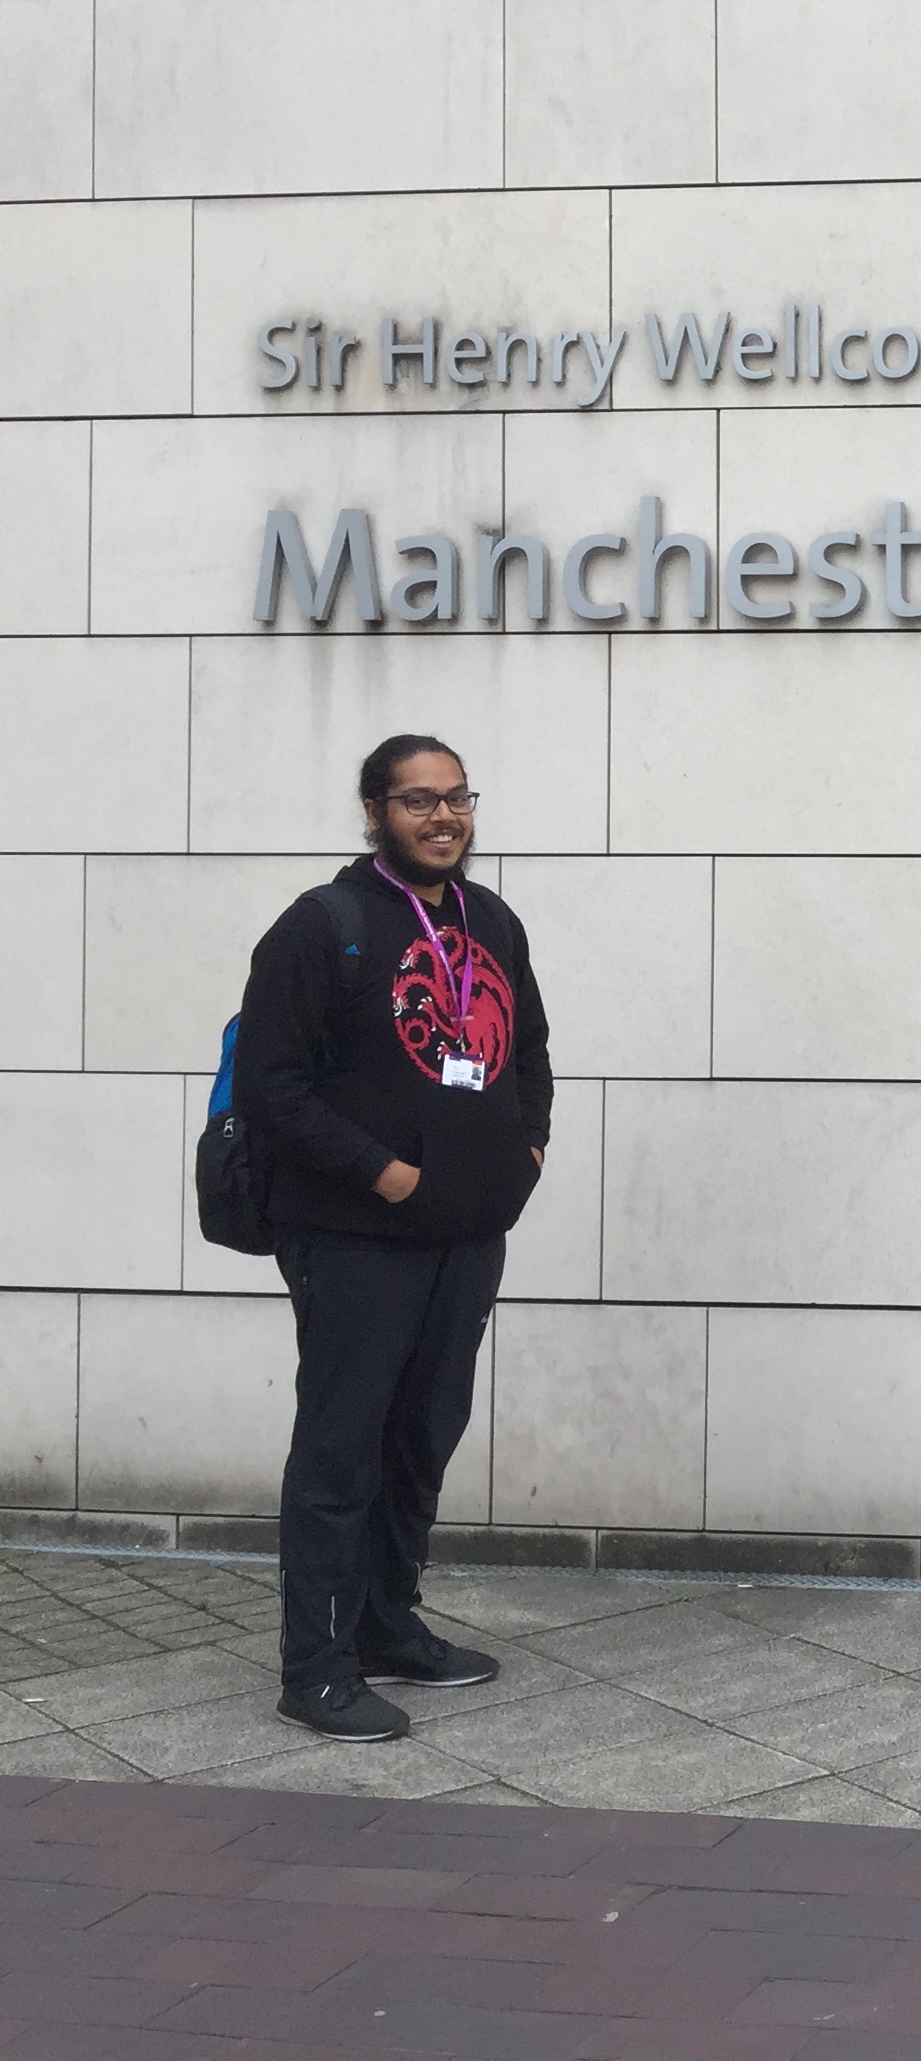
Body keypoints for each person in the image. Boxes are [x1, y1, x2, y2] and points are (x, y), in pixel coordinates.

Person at [235, 735, 552, 1742]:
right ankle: (316, 1667)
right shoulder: (321, 926)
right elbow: (272, 1089)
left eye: (458, 797)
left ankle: (385, 1627)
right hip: (353, 1238)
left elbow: (530, 1053)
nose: (444, 816)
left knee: (421, 1438)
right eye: (419, 800)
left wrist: (525, 1154)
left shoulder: (491, 920)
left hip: (468, 1234)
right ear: (375, 811)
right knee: (342, 1449)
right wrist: (387, 1174)